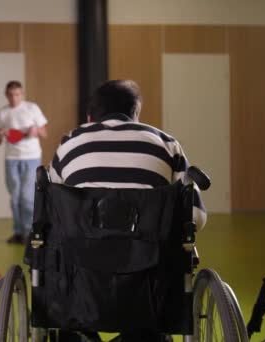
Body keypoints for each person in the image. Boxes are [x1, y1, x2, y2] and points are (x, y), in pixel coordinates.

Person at [48, 79, 206, 342]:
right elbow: (195, 218)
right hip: (151, 287)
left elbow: (52, 215)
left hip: (80, 282)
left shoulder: (68, 146)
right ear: (136, 114)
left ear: (90, 118)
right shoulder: (166, 144)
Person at [0, 80, 48, 244]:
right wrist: (0, 134)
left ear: (22, 94)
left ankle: (29, 232)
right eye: (10, 95)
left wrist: (36, 130)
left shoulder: (32, 108)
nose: (14, 98)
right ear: (6, 95)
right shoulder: (2, 113)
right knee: (15, 197)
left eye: (17, 94)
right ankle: (18, 232)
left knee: (27, 196)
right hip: (11, 159)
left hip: (31, 157)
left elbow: (44, 132)